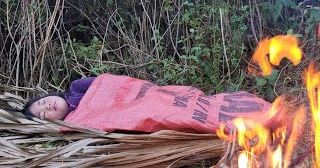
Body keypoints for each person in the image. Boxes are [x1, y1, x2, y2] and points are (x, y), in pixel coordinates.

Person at [23, 73, 291, 134]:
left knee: (173, 100)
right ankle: (254, 122)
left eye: (44, 102)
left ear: (50, 94)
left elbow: (115, 83)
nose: (48, 108)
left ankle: (249, 109)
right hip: (144, 112)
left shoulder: (76, 88)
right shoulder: (75, 125)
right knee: (166, 115)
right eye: (45, 115)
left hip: (149, 96)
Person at [23, 77, 95, 120]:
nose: (47, 106)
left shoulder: (77, 87)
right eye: (43, 114)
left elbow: (103, 82)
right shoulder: (72, 124)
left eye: (43, 102)